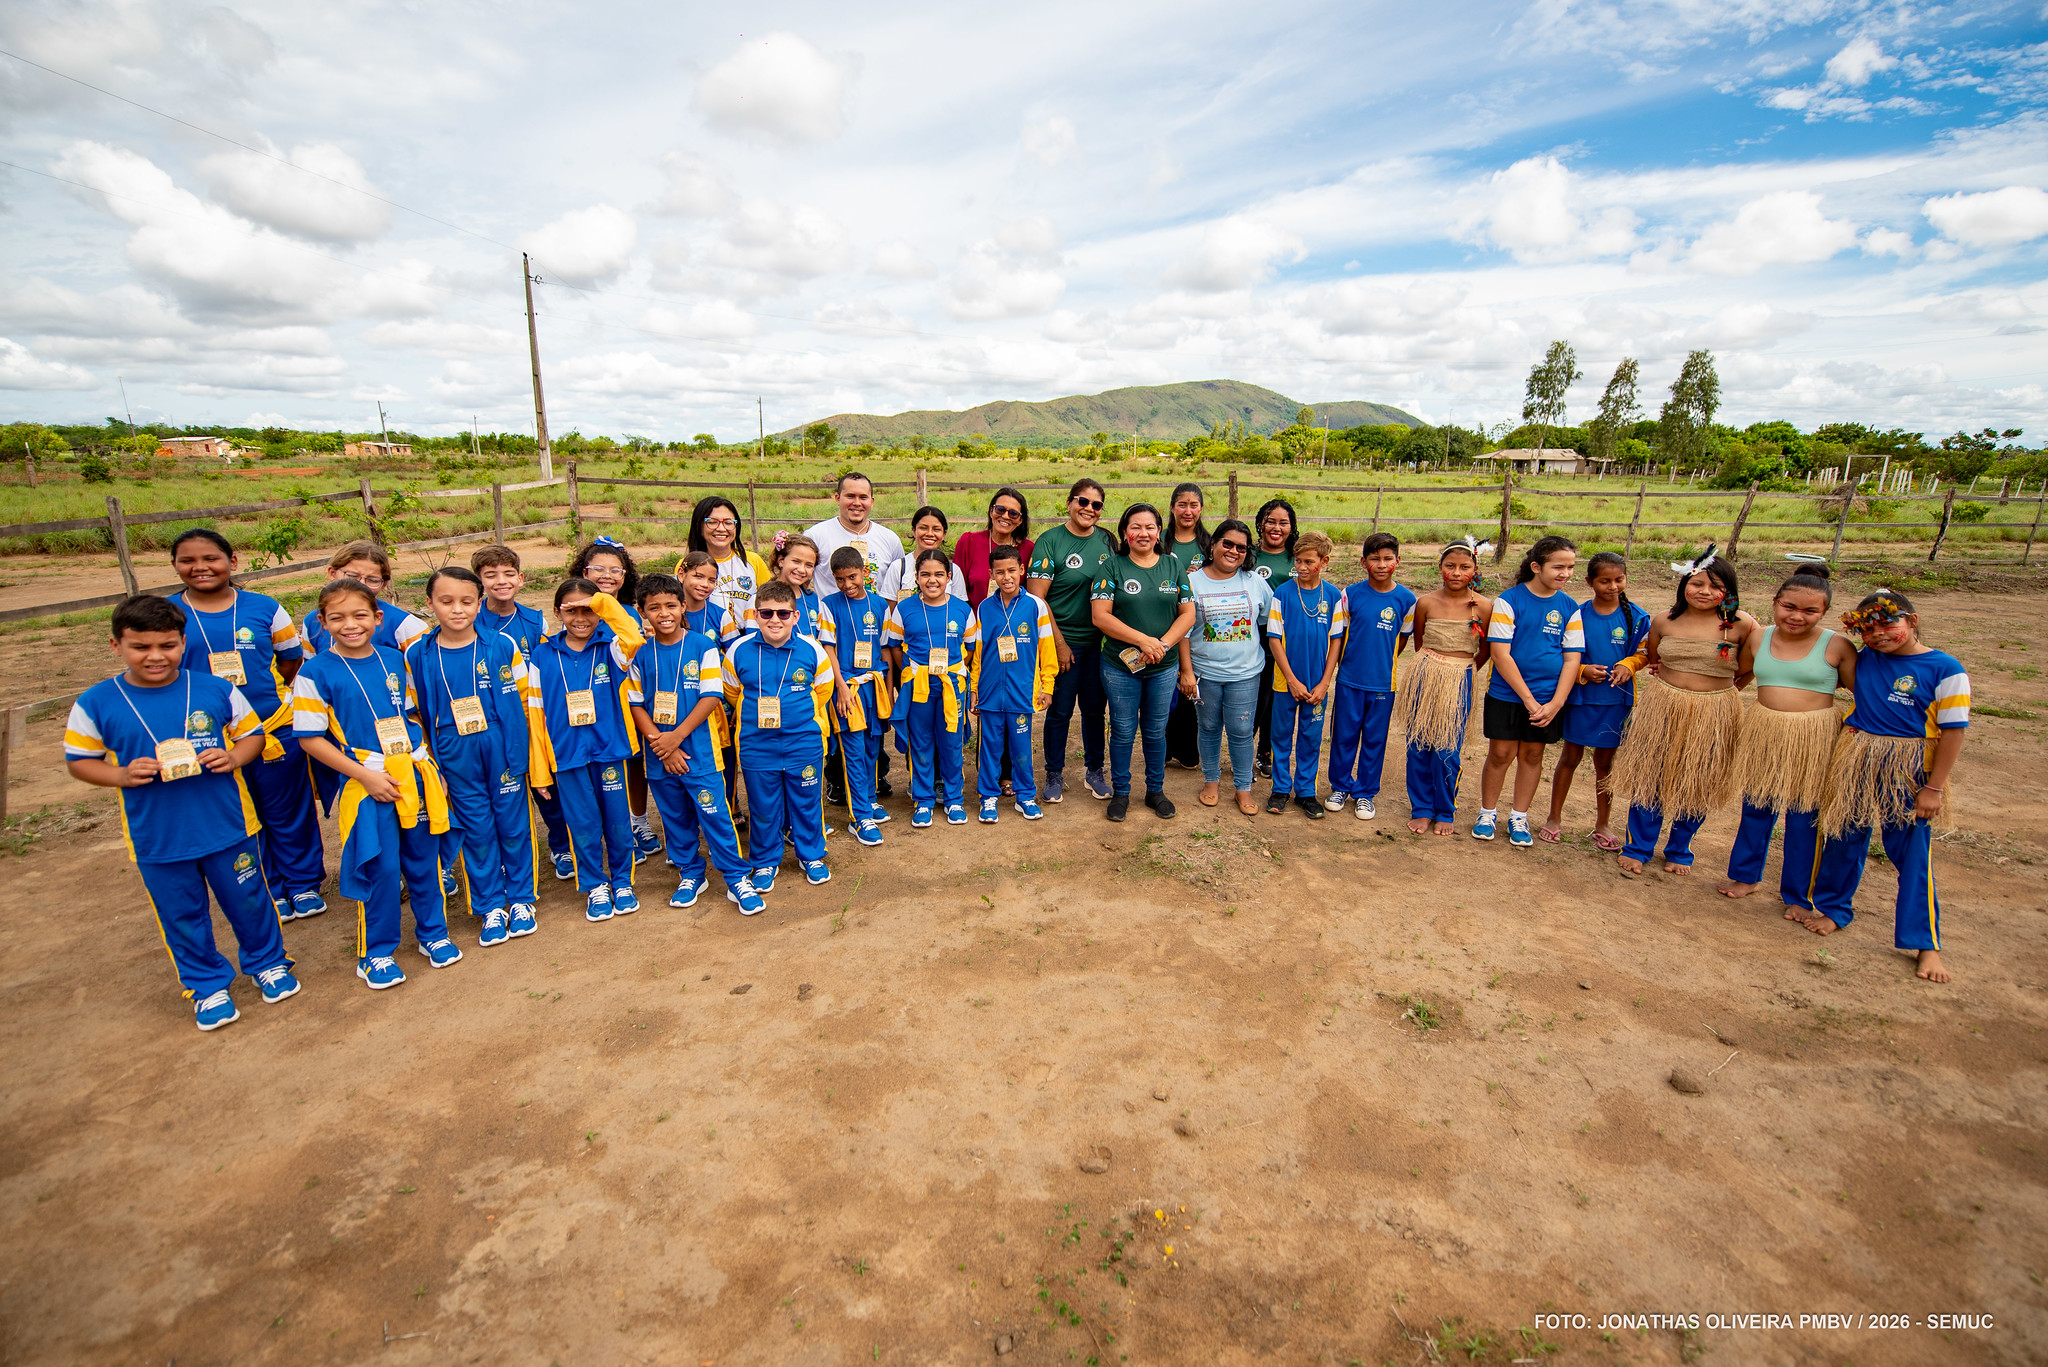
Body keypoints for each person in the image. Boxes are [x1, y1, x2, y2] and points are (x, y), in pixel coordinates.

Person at [65, 594, 298, 1031]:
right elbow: (80, 760)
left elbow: (250, 736)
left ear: (181, 641)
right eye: (141, 647)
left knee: (249, 900)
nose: (155, 656)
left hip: (229, 826)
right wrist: (119, 776)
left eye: (167, 645)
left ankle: (269, 962)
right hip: (158, 838)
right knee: (182, 915)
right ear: (116, 646)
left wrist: (232, 757)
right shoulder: (96, 702)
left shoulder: (215, 689)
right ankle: (207, 985)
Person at [292, 578, 458, 988]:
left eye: (360, 615)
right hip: (366, 782)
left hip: (413, 776)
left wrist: (428, 766)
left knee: (424, 860)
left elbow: (413, 714)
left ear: (377, 617)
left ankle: (433, 934)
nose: (350, 624)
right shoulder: (314, 672)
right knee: (380, 867)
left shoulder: (392, 658)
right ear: (322, 621)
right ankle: (376, 952)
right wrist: (366, 776)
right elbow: (310, 739)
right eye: (338, 617)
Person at [165, 529, 326, 922]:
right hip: (208, 737)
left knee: (288, 808)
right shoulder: (167, 614)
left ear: (232, 562)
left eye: (211, 558)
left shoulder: (265, 608)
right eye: (188, 560)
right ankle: (268, 885)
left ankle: (303, 885)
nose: (200, 567)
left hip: (273, 727)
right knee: (239, 812)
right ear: (175, 566)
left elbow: (289, 662)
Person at [1810, 589, 1968, 982]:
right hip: (1857, 758)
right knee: (1843, 838)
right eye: (1868, 628)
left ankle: (1925, 943)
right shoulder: (1863, 660)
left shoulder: (1945, 668)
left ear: (1912, 621)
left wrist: (1933, 787)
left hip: (1910, 769)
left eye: (1888, 623)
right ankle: (1834, 909)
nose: (1878, 633)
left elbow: (1953, 732)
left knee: (1912, 853)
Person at [405, 567, 544, 947]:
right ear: (429, 604)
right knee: (477, 830)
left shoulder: (501, 645)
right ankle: (490, 905)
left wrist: (526, 755)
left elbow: (525, 703)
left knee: (513, 825)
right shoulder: (417, 653)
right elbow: (414, 713)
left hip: (501, 745)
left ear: (479, 603)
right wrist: (432, 764)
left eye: (467, 601)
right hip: (453, 752)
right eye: (446, 601)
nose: (457, 610)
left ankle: (520, 900)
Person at [1605, 547, 1759, 877]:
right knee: (1651, 777)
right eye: (1697, 583)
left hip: (1715, 711)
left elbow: (1747, 669)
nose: (1704, 592)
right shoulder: (1664, 620)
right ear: (1684, 584)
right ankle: (1638, 846)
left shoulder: (1742, 625)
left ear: (1728, 592)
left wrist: (1723, 696)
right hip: (1662, 706)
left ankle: (1679, 847)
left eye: (1714, 586)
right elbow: (1655, 658)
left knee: (1698, 779)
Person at [1720, 561, 1854, 913]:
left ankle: (1799, 894)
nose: (1797, 616)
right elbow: (1743, 673)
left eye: (1811, 611)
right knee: (1757, 806)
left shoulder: (1837, 645)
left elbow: (1862, 692)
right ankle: (1746, 876)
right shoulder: (1760, 636)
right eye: (1789, 607)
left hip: (1813, 737)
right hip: (1765, 729)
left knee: (1804, 815)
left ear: (1824, 612)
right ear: (1775, 602)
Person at [628, 573, 763, 914]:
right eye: (653, 607)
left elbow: (711, 697)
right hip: (659, 755)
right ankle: (690, 872)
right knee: (674, 818)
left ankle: (736, 876)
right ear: (642, 611)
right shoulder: (640, 654)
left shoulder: (703, 646)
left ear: (683, 605)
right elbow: (635, 704)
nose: (664, 613)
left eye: (671, 605)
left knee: (714, 814)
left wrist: (675, 739)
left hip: (699, 754)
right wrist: (663, 745)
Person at [529, 578, 645, 921]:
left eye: (588, 610)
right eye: (572, 610)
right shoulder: (542, 654)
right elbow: (535, 715)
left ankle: (622, 881)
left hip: (609, 750)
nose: (582, 618)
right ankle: (595, 884)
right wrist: (539, 769)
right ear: (556, 613)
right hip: (566, 757)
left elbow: (634, 635)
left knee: (618, 823)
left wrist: (602, 602)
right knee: (582, 824)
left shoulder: (610, 647)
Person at [472, 544, 573, 881]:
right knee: (501, 793)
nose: (501, 581)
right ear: (479, 581)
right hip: (491, 721)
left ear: (520, 578)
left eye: (508, 574)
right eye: (491, 575)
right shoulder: (471, 620)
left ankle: (560, 846)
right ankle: (504, 857)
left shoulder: (533, 619)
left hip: (532, 717)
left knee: (547, 788)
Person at [725, 579, 836, 888]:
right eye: (767, 613)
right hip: (757, 744)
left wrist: (795, 715)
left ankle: (810, 855)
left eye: (783, 614)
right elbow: (732, 692)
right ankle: (764, 861)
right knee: (763, 805)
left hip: (804, 741)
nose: (775, 620)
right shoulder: (738, 651)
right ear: (756, 615)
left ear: (795, 616)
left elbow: (823, 689)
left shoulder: (812, 649)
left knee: (806, 800)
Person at [1091, 504, 1197, 822]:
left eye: (1150, 527)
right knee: (1123, 730)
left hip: (1162, 667)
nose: (1143, 533)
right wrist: (1142, 641)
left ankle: (1155, 791)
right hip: (1120, 666)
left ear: (1159, 531)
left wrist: (1162, 645)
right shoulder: (1112, 567)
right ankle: (1121, 793)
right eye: (1135, 526)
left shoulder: (1172, 566)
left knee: (1155, 730)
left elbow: (1188, 613)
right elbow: (1100, 616)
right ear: (1125, 532)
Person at [1477, 535, 1580, 848]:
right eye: (1558, 566)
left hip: (1548, 700)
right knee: (1501, 754)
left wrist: (1556, 703)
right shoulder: (1510, 601)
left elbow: (1572, 657)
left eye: (1571, 567)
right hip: (1508, 695)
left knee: (1533, 755)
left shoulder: (1569, 607)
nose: (1565, 573)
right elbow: (1500, 654)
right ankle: (1487, 813)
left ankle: (1519, 816)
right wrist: (1529, 700)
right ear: (1537, 567)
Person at [1542, 552, 1650, 847]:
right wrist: (1582, 670)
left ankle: (1602, 824)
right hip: (1579, 699)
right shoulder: (1577, 614)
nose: (1613, 586)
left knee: (1605, 762)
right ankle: (1554, 818)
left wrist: (1629, 666)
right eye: (1605, 580)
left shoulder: (1638, 618)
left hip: (1616, 702)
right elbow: (1560, 654)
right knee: (1570, 757)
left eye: (1619, 580)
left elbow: (1645, 653)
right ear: (1590, 581)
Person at [570, 537, 659, 860]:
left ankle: (636, 823)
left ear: (625, 575)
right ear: (584, 571)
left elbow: (634, 646)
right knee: (597, 770)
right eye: (599, 569)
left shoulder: (627, 613)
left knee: (634, 763)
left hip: (624, 702)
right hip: (587, 704)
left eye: (616, 570)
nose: (607, 576)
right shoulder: (577, 609)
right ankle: (608, 833)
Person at [1027, 478, 1115, 804]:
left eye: (1096, 505)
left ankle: (1095, 771)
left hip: (1100, 644)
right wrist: (1059, 644)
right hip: (1063, 642)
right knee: (1060, 711)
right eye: (1082, 501)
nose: (1088, 509)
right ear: (1069, 503)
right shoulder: (1051, 541)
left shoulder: (1107, 541)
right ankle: (1054, 773)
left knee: (1095, 710)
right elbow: (1037, 599)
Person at [1398, 537, 1494, 835]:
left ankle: (1445, 808)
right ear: (1439, 567)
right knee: (1418, 745)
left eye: (1464, 567)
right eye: (1450, 566)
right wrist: (1435, 668)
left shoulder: (1484, 606)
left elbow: (1487, 648)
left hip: (1460, 678)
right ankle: (1422, 808)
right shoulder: (1425, 602)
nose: (1456, 572)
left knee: (1446, 749)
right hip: (1426, 676)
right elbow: (1419, 642)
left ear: (1475, 569)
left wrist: (1461, 671)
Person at [1178, 518, 1273, 814]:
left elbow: (1268, 623)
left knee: (1242, 730)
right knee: (1207, 727)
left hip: (1245, 674)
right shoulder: (1192, 582)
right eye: (1227, 544)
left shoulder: (1255, 582)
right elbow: (1182, 630)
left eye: (1241, 548)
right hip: (1204, 674)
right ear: (1213, 544)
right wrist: (1187, 672)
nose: (1233, 551)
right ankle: (1211, 781)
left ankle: (1243, 788)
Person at [1326, 532, 1415, 820]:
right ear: (1364, 562)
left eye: (1388, 558)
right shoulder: (1349, 594)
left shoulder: (1407, 599)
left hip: (1382, 684)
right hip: (1349, 680)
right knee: (1343, 736)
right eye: (1375, 558)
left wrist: (1382, 661)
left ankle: (1365, 793)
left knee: (1375, 739)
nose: (1381, 564)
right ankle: (1340, 786)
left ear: (1397, 561)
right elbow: (1339, 636)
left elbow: (1401, 641)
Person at [887, 548, 978, 827]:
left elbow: (972, 649)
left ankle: (953, 800)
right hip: (919, 687)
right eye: (925, 574)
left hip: (952, 686)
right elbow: (894, 647)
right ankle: (923, 800)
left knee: (950, 742)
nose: (932, 580)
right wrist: (916, 672)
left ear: (949, 577)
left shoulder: (963, 610)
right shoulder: (904, 609)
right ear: (916, 578)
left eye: (939, 574)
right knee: (921, 742)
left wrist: (952, 672)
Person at [969, 545, 1054, 822]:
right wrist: (974, 689)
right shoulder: (984, 607)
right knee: (990, 747)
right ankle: (988, 797)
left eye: (1012, 571)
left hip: (1021, 693)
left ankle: (1026, 795)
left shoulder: (1035, 605)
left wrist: (1047, 685)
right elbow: (979, 653)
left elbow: (1046, 649)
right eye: (1000, 572)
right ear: (992, 574)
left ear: (1022, 570)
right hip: (991, 694)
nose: (1007, 577)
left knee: (1021, 748)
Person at [1265, 531, 1346, 817]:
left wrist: (1325, 683)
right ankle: (1280, 788)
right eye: (1297, 560)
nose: (1301, 566)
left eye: (1308, 561)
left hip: (1316, 685)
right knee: (1281, 736)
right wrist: (1291, 679)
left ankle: (1306, 792)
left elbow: (1336, 640)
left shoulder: (1334, 595)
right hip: (1285, 681)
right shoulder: (1283, 593)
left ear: (1323, 562)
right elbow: (1275, 639)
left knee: (1311, 737)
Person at [819, 546, 892, 844]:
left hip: (874, 686)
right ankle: (858, 816)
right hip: (847, 689)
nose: (847, 585)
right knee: (852, 750)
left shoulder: (879, 606)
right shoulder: (829, 605)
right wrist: (839, 688)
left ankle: (869, 797)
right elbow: (828, 649)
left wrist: (888, 689)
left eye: (852, 577)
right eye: (840, 579)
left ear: (865, 572)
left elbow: (885, 648)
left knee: (873, 746)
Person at [676, 550, 746, 820]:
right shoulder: (670, 611)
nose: (704, 584)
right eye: (698, 576)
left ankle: (730, 802)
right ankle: (691, 812)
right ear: (682, 574)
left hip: (715, 699)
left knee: (725, 752)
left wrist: (733, 700)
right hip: (681, 697)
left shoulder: (720, 615)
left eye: (711, 580)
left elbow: (731, 659)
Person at [298, 541, 426, 655]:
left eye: (372, 580)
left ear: (383, 584)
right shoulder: (313, 622)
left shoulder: (405, 625)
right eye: (352, 576)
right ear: (332, 573)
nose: (360, 585)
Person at [1161, 482, 1211, 770]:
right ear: (1172, 507)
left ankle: (1188, 749)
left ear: (1201, 509)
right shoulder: (1160, 539)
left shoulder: (1209, 543)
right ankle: (1164, 749)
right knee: (1166, 689)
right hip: (1163, 624)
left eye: (1194, 505)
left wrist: (1201, 574)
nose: (1188, 511)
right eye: (1182, 504)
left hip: (1196, 625)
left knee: (1190, 688)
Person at [1249, 497, 1299, 778]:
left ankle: (1265, 754)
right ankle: (1243, 750)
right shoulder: (1249, 555)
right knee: (1256, 701)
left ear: (1291, 527)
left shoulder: (1297, 557)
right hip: (1255, 640)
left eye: (1283, 522)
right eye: (1270, 521)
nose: (1276, 527)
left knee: (1277, 704)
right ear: (1260, 524)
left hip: (1289, 642)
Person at [805, 471, 905, 592]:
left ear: (872, 501)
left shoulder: (890, 540)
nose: (857, 503)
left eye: (863, 497)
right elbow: (801, 583)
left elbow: (898, 585)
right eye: (850, 496)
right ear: (838, 498)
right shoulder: (816, 536)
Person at [681, 496, 772, 620]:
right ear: (699, 527)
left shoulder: (752, 561)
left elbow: (772, 600)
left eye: (728, 523)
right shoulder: (687, 564)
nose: (721, 528)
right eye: (712, 522)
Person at [953, 487, 1034, 608]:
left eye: (1013, 513)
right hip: (974, 622)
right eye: (1000, 510)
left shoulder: (1028, 549)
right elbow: (957, 593)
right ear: (991, 511)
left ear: (1020, 520)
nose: (1006, 516)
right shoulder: (969, 542)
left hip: (1014, 622)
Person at [878, 506, 969, 602]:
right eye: (923, 528)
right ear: (914, 531)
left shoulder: (953, 570)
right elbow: (890, 612)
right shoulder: (899, 567)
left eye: (936, 529)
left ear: (944, 534)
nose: (930, 533)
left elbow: (959, 609)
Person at [769, 533, 827, 638]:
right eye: (796, 561)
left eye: (809, 565)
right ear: (781, 561)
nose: (801, 570)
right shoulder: (762, 599)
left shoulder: (814, 600)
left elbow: (822, 638)